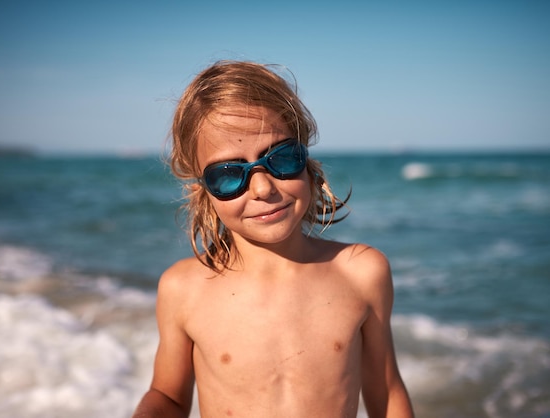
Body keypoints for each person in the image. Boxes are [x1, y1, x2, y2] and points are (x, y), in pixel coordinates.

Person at [133, 60, 413, 418]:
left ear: (307, 160)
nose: (263, 187)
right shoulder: (184, 288)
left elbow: (386, 392)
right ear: (203, 190)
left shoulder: (361, 272)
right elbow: (168, 398)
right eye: (230, 174)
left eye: (281, 157)